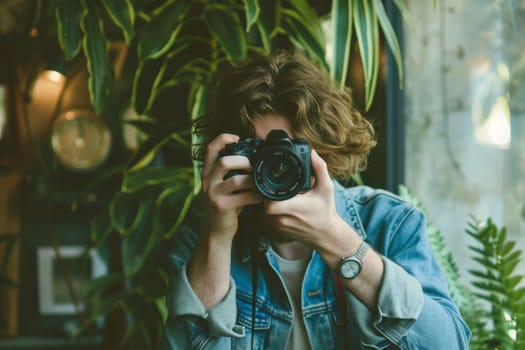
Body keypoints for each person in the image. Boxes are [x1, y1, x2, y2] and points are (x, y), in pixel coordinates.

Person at [159, 50, 470, 349]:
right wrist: (217, 237)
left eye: (290, 153)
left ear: (325, 150)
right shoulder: (203, 240)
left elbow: (448, 345)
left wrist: (338, 242)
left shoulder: (390, 223)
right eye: (261, 153)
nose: (277, 168)